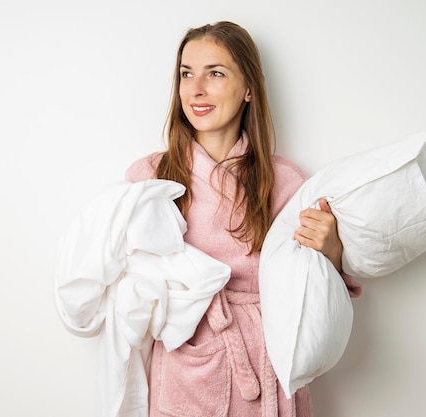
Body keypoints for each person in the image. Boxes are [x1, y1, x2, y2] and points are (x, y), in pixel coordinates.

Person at [125, 21, 350, 417]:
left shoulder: (285, 181)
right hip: (186, 363)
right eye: (186, 74)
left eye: (215, 73)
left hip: (268, 358)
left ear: (248, 88)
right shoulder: (151, 177)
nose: (196, 89)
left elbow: (315, 295)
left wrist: (331, 254)